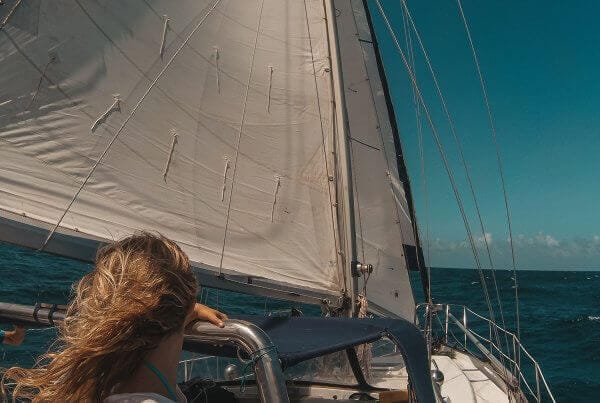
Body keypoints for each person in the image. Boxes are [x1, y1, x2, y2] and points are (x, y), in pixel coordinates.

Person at [1, 232, 228, 402]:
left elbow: (149, 318)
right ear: (186, 304)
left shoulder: (87, 382)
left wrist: (188, 309)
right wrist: (188, 310)